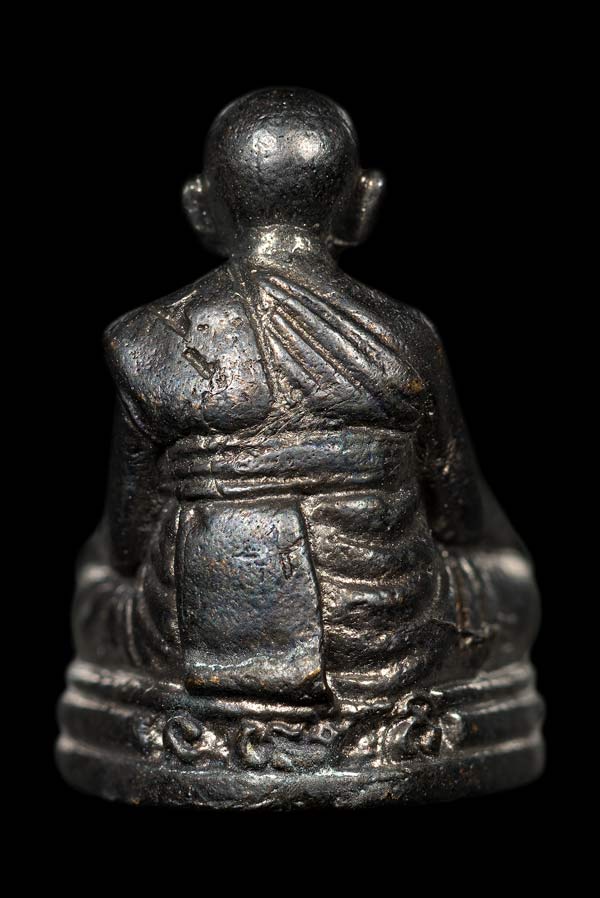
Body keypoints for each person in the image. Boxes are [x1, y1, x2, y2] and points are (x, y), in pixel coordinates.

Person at [73, 87, 539, 709]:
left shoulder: (145, 340)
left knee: (96, 581)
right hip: (382, 636)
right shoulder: (403, 337)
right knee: (508, 580)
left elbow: (129, 543)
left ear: (199, 207)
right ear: (364, 202)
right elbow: (461, 518)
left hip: (194, 633)